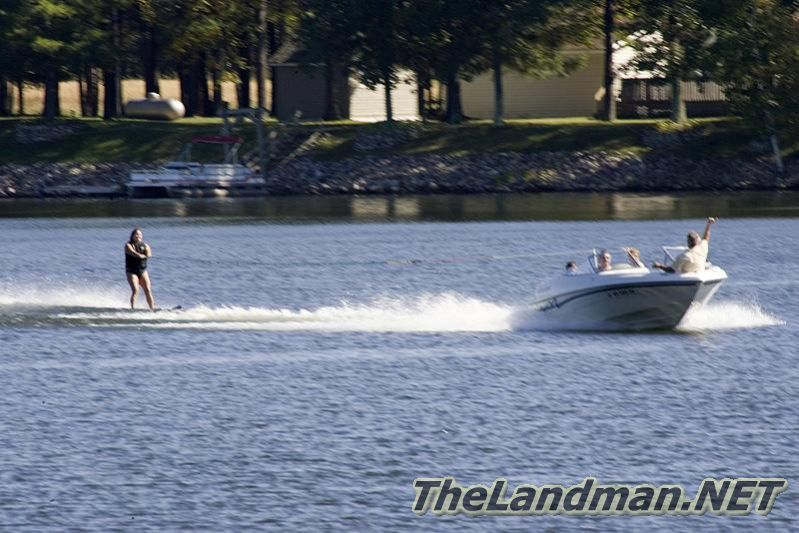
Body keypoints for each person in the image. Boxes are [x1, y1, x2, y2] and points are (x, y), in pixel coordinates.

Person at [653, 217, 717, 274]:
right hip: (699, 275)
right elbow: (706, 237)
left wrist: (659, 266)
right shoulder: (702, 248)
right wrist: (708, 225)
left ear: (688, 242)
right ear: (698, 241)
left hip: (688, 279)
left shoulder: (683, 256)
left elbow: (671, 270)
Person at [125, 227, 155, 310]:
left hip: (142, 271)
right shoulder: (128, 245)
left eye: (140, 234)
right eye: (136, 234)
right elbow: (133, 253)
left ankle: (152, 309)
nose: (138, 236)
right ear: (132, 235)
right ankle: (133, 309)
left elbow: (149, 254)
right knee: (136, 289)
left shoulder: (145, 245)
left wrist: (145, 255)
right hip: (131, 271)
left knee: (148, 290)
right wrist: (140, 255)